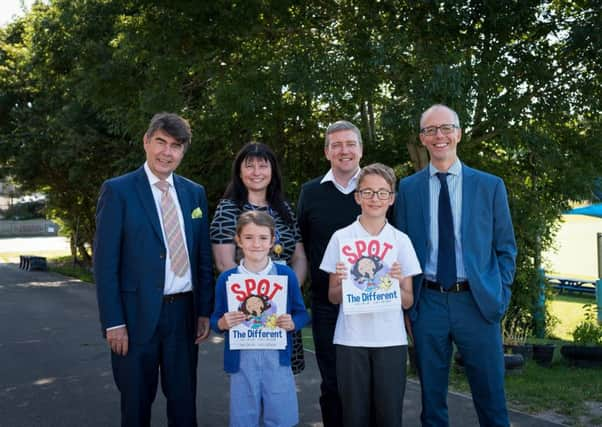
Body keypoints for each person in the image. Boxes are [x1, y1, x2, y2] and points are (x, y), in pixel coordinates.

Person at [394, 104, 517, 426]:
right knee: (431, 402)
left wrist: (499, 294)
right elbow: (401, 253)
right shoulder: (408, 189)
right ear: (422, 138)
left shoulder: (490, 186)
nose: (439, 136)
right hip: (429, 302)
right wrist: (408, 306)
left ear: (459, 133)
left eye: (446, 128)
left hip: (477, 302)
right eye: (430, 130)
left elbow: (506, 248)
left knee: (491, 398)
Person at [94, 112, 214, 427]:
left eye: (175, 146)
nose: (167, 152)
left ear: (183, 151)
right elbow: (105, 264)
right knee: (135, 407)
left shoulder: (193, 193)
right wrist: (114, 322)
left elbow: (202, 255)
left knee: (184, 405)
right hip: (134, 320)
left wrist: (204, 310)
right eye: (160, 141)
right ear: (146, 142)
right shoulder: (118, 191)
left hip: (184, 315)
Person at [320, 163, 422, 427]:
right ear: (357, 196)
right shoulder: (341, 239)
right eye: (367, 192)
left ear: (391, 198)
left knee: (389, 417)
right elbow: (332, 296)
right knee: (353, 417)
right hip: (351, 339)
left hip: (390, 340)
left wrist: (399, 282)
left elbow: (408, 300)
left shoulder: (401, 241)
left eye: (382, 192)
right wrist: (343, 282)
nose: (374, 198)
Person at [210, 141, 308, 374]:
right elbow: (225, 264)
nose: (256, 172)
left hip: (281, 313)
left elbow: (300, 257)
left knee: (282, 383)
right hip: (248, 317)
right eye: (249, 166)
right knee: (250, 383)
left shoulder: (283, 209)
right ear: (239, 171)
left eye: (262, 166)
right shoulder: (228, 209)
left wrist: (284, 294)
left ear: (272, 171)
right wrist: (255, 303)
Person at [210, 211, 310, 427]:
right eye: (248, 237)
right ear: (238, 240)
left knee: (282, 418)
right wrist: (222, 323)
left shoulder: (285, 275)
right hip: (242, 362)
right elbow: (215, 320)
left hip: (278, 361)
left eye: (263, 238)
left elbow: (302, 314)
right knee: (244, 419)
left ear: (272, 240)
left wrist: (293, 323)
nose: (256, 244)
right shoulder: (228, 279)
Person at [297, 120, 363, 426]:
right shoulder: (311, 193)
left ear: (360, 149)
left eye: (350, 144)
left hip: (373, 305)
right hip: (327, 305)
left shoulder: (378, 188)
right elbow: (303, 246)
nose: (344, 151)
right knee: (333, 384)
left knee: (368, 385)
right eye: (336, 145)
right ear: (327, 152)